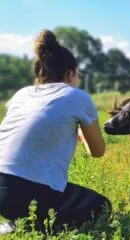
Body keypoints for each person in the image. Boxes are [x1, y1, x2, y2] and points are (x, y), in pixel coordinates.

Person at [0, 29, 110, 234]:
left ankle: (18, 222)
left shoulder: (22, 94)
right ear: (71, 73)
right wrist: (85, 138)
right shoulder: (77, 96)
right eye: (77, 75)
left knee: (26, 196)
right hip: (24, 192)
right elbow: (97, 151)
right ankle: (30, 226)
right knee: (101, 206)